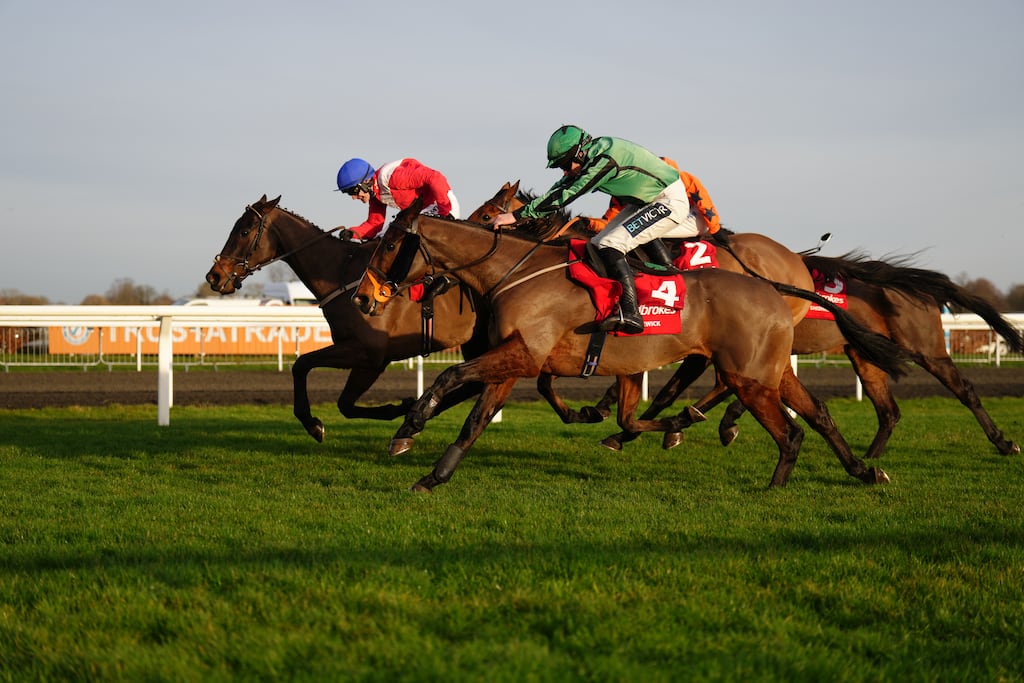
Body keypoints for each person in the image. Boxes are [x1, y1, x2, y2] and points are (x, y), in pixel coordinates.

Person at [491, 125, 703, 334]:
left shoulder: (604, 161)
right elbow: (560, 187)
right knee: (598, 243)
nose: (564, 171)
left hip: (668, 201)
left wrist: (515, 215)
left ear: (579, 152)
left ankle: (631, 313)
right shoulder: (592, 155)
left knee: (612, 244)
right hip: (646, 202)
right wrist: (522, 215)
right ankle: (662, 272)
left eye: (565, 164)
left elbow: (568, 194)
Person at [335, 157, 461, 241]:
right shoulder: (375, 194)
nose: (353, 197)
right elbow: (374, 224)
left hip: (442, 206)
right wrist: (353, 233)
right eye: (348, 193)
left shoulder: (392, 177)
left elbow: (435, 177)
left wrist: (445, 211)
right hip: (421, 213)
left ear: (366, 181)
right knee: (382, 240)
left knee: (397, 236)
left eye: (353, 191)